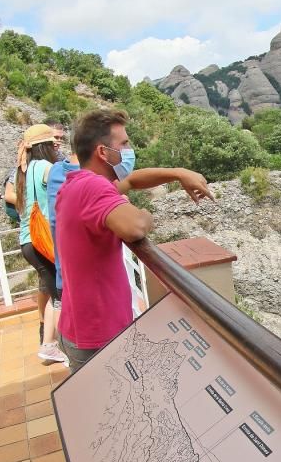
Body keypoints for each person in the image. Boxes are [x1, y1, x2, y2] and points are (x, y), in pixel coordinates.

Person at [55, 108, 214, 371]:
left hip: (82, 327)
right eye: (124, 144)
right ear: (103, 152)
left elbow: (131, 180)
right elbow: (136, 227)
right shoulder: (93, 187)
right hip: (98, 336)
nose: (130, 150)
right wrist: (144, 212)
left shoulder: (77, 183)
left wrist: (178, 172)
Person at [15, 124, 68, 364]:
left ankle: (50, 344)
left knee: (54, 293)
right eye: (52, 143)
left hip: (28, 242)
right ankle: (53, 344)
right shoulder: (45, 167)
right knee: (61, 293)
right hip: (42, 240)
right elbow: (68, 185)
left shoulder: (24, 170)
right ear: (45, 146)